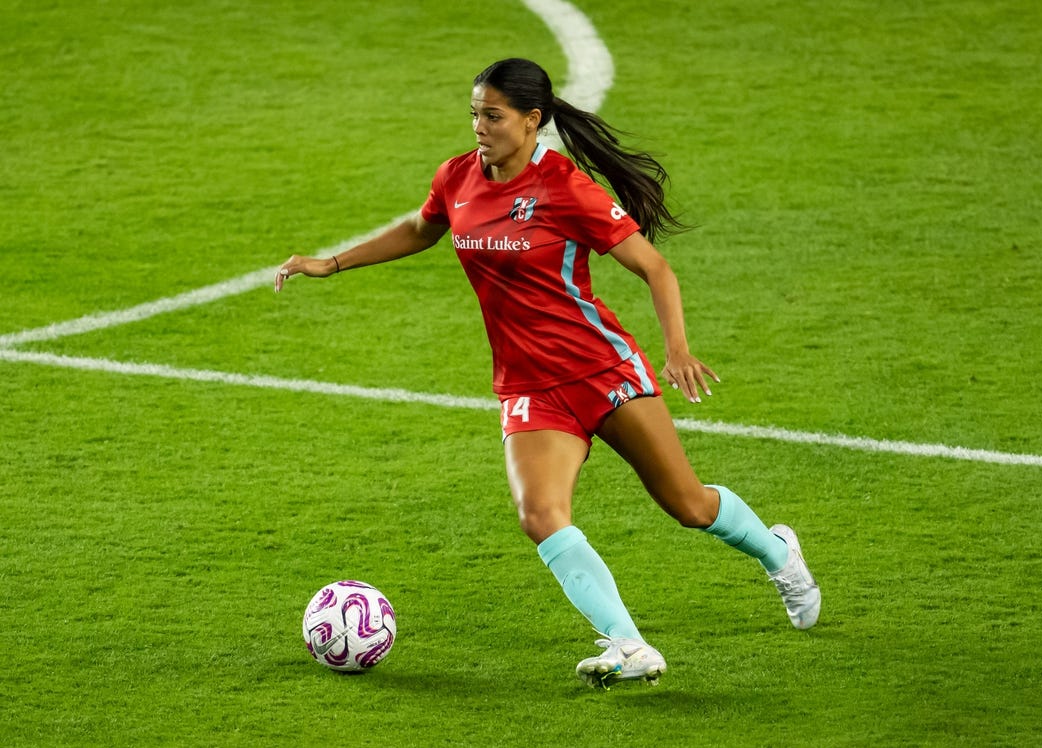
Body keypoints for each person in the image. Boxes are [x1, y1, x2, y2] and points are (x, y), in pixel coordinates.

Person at [276, 58, 820, 689]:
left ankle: (780, 553)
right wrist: (332, 263)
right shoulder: (457, 176)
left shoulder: (564, 187)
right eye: (474, 113)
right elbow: (423, 229)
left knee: (688, 505)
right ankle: (629, 644)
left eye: (493, 116)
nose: (479, 126)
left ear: (533, 121)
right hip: (529, 388)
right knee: (541, 514)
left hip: (601, 368)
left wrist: (676, 348)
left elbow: (655, 268)